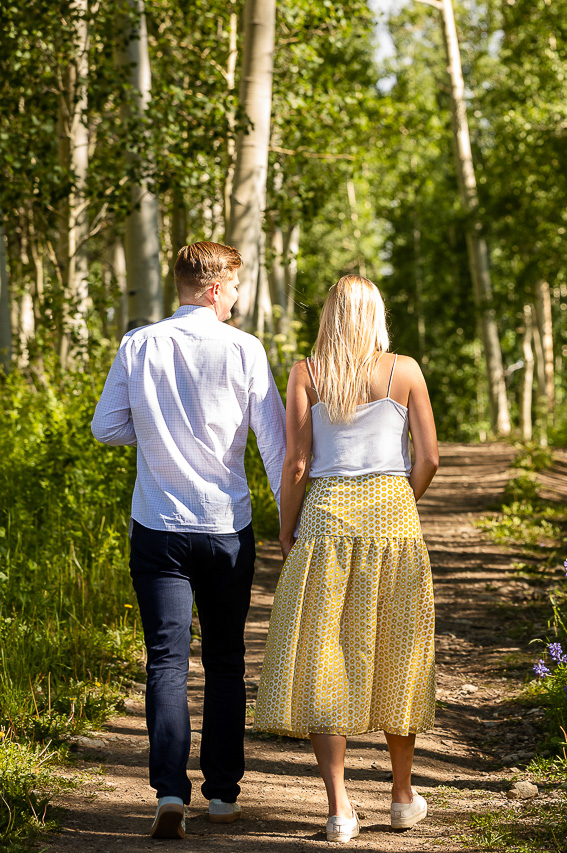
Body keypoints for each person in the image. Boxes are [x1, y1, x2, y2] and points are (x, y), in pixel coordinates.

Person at [91, 241, 287, 839]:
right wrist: (294, 523)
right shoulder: (245, 349)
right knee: (225, 662)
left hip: (158, 528)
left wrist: (157, 437)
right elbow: (274, 444)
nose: (235, 298)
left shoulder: (138, 345)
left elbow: (106, 427)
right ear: (212, 288)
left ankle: (169, 793)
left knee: (167, 662)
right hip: (225, 527)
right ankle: (223, 796)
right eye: (232, 288)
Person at [253, 274, 439, 843]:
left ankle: (339, 810)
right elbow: (430, 459)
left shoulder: (307, 373)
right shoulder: (403, 370)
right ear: (377, 314)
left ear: (330, 315)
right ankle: (403, 797)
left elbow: (296, 466)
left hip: (327, 517)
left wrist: (286, 530)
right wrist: (400, 499)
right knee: (397, 647)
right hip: (393, 518)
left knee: (323, 651)